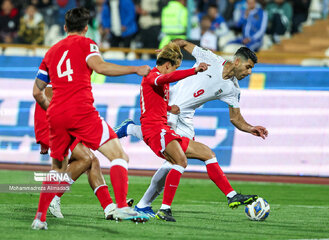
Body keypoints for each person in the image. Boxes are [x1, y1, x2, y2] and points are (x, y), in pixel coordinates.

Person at [115, 39, 268, 219]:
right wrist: (167, 49)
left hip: (186, 117)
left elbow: (235, 118)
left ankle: (145, 203)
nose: (249, 72)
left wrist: (250, 128)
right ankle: (152, 204)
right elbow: (182, 42)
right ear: (237, 61)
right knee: (176, 158)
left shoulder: (233, 89)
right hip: (170, 106)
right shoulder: (210, 58)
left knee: (176, 161)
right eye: (248, 67)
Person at [31, 7, 151, 230]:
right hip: (81, 112)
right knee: (119, 155)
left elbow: (37, 92)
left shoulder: (51, 52)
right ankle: (122, 206)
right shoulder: (87, 44)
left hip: (56, 114)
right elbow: (101, 67)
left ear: (65, 27)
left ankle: (40, 218)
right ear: (86, 28)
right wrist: (135, 69)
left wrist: (53, 110)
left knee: (57, 168)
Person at [34, 89, 134, 220]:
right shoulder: (53, 83)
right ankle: (53, 199)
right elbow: (42, 106)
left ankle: (109, 207)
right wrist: (43, 140)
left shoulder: (65, 80)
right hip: (59, 129)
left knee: (93, 161)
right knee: (86, 159)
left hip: (71, 126)